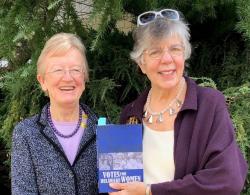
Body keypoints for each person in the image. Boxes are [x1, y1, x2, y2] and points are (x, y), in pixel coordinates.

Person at [109, 9, 248, 195]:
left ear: (185, 55)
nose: (167, 59)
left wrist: (150, 191)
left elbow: (227, 180)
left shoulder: (209, 105)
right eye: (155, 52)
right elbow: (123, 183)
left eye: (175, 49)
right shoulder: (131, 114)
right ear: (142, 64)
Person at [11, 33, 98, 194]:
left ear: (84, 78)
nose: (68, 78)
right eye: (58, 70)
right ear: (42, 81)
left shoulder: (103, 130)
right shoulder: (25, 134)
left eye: (75, 70)